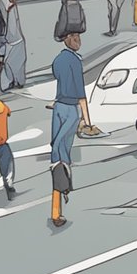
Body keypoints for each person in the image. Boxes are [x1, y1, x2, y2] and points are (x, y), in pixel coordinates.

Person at [50, 31, 91, 228]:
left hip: (58, 107)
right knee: (63, 155)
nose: (79, 41)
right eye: (76, 38)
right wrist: (87, 120)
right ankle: (60, 201)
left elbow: (58, 78)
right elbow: (81, 93)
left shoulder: (58, 60)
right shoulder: (75, 62)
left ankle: (56, 208)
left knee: (56, 154)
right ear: (68, 40)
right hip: (71, 111)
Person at [0, 0, 28, 91]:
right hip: (13, 39)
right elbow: (10, 15)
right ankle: (15, 81)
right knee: (15, 60)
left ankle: (11, 81)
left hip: (8, 37)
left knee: (12, 61)